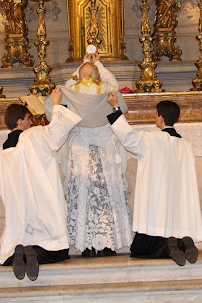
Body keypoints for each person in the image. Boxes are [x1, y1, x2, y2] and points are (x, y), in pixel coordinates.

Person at [0, 88, 82, 281]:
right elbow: (57, 133)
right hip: (41, 210)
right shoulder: (33, 136)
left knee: (8, 255)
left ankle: (19, 252)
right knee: (57, 250)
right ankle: (31, 252)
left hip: (18, 215)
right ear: (19, 122)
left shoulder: (0, 153)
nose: (31, 122)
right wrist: (57, 104)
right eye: (28, 119)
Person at [48, 52, 132, 257]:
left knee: (84, 195)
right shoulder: (107, 89)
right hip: (105, 148)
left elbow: (54, 109)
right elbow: (117, 97)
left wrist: (84, 64)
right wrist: (98, 64)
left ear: (78, 75)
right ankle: (109, 243)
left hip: (81, 151)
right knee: (107, 194)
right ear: (98, 76)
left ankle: (86, 244)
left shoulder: (71, 90)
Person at [105, 95, 202, 266]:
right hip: (177, 203)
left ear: (160, 117)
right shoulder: (185, 144)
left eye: (156, 114)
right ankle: (182, 243)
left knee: (141, 248)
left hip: (157, 201)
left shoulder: (151, 139)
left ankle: (168, 248)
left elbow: (128, 138)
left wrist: (116, 108)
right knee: (173, 229)